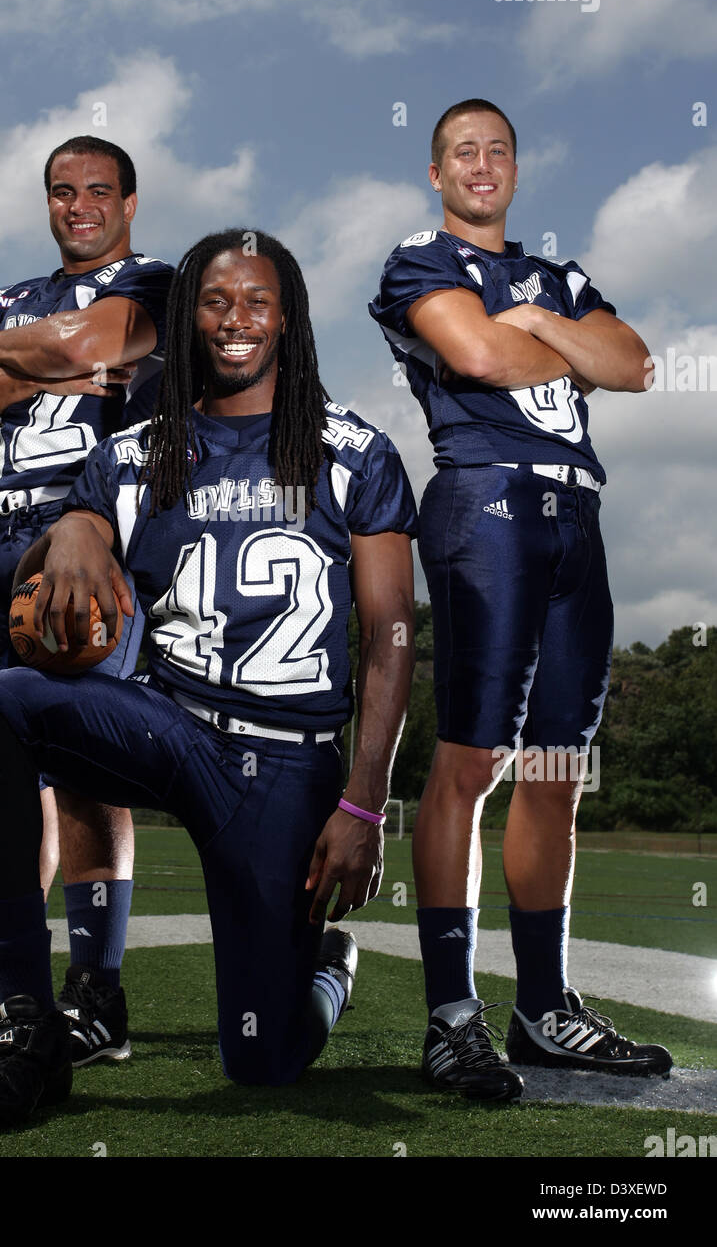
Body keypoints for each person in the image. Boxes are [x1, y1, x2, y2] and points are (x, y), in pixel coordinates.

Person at [0, 228, 418, 1130]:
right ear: (184, 317)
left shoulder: (353, 450)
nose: (235, 320)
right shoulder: (132, 453)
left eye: (257, 301)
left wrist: (363, 806)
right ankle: (29, 1026)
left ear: (289, 318)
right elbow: (55, 567)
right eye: (213, 300)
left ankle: (325, 969)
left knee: (262, 1061)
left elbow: (390, 636)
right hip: (175, 731)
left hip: (288, 767)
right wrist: (75, 529)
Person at [370, 99, 672, 1101]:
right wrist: (561, 344)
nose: (482, 163)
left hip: (575, 519)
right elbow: (478, 358)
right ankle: (452, 1014)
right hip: (486, 504)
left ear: (515, 166)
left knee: (558, 768)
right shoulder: (418, 261)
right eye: (463, 150)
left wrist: (542, 317)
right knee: (469, 760)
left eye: (498, 150)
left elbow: (632, 363)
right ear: (436, 170)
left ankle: (542, 1006)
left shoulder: (557, 277)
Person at [0, 137, 173, 1065]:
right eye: (63, 192)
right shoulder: (6, 298)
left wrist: (20, 362)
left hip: (81, 528)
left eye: (98, 191)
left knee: (85, 766)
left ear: (129, 201)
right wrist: (46, 365)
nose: (79, 206)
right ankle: (10, 977)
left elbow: (99, 341)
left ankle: (96, 990)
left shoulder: (153, 281)